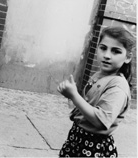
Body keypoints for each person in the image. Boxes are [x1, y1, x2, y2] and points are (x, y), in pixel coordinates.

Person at [57, 26, 136, 157]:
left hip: (94, 147)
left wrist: (74, 95)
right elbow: (86, 106)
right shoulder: (99, 75)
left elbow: (101, 121)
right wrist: (71, 95)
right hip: (77, 140)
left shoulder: (118, 86)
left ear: (128, 57)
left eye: (116, 51)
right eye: (103, 48)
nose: (107, 55)